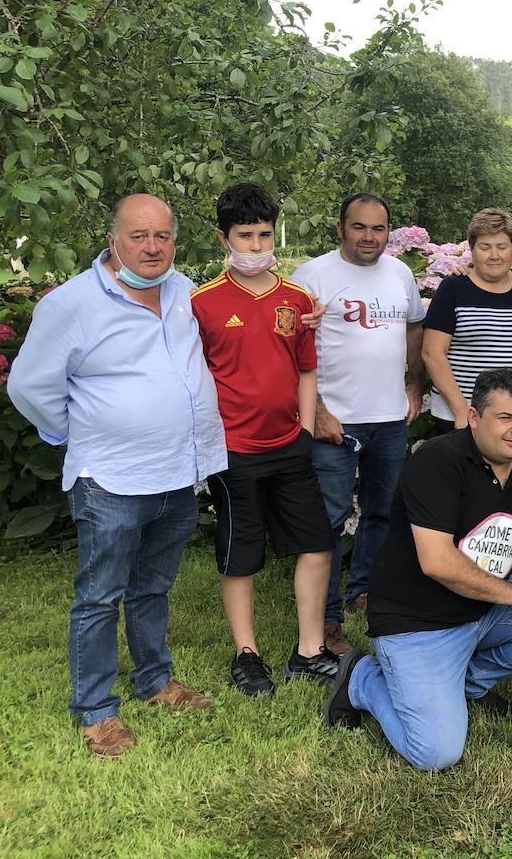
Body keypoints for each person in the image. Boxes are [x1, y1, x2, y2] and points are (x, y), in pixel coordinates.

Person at [7, 194, 226, 757]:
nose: (152, 247)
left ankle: (154, 681)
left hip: (178, 470)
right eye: (138, 235)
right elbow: (28, 386)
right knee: (100, 595)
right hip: (110, 478)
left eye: (162, 236)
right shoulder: (71, 304)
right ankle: (96, 710)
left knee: (153, 587)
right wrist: (74, 430)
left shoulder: (181, 290)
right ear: (113, 240)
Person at [321, 370, 512, 771]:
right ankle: (361, 678)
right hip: (417, 622)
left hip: (483, 608)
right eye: (504, 418)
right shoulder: (437, 461)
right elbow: (438, 562)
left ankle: (471, 681)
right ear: (473, 417)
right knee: (436, 753)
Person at [191, 183, 337, 697]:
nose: (256, 246)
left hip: (290, 445)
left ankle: (310, 650)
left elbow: (305, 367)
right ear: (223, 238)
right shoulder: (202, 304)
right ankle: (247, 655)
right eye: (245, 236)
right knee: (241, 552)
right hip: (233, 451)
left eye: (263, 235)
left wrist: (302, 426)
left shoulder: (297, 300)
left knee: (318, 543)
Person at [292, 191, 425, 656]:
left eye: (379, 228)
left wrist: (415, 385)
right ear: (340, 228)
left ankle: (362, 591)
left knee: (382, 511)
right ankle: (326, 619)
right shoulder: (312, 276)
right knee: (327, 521)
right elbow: (290, 347)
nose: (370, 237)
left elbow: (414, 328)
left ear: (389, 231)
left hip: (389, 417)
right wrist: (318, 412)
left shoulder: (401, 273)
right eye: (359, 227)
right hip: (335, 421)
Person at [423, 208, 512, 435]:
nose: (494, 255)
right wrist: (461, 411)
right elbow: (432, 353)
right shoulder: (454, 288)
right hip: (461, 415)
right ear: (472, 249)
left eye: (502, 247)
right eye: (485, 247)